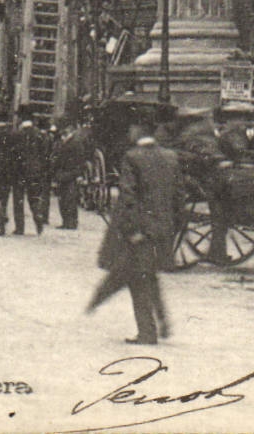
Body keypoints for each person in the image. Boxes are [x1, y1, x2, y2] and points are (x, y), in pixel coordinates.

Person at [88, 118, 185, 345]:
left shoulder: (132, 157)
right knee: (148, 274)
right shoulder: (171, 157)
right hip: (163, 229)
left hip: (140, 231)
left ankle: (147, 332)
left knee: (138, 279)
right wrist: (172, 227)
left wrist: (133, 230)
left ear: (138, 129)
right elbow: (179, 197)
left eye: (131, 128)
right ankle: (161, 321)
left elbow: (128, 199)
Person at [15, 118, 53, 234]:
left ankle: (20, 228)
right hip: (36, 172)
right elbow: (46, 154)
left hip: (20, 171)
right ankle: (38, 218)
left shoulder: (17, 135)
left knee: (18, 200)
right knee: (34, 198)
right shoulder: (40, 135)